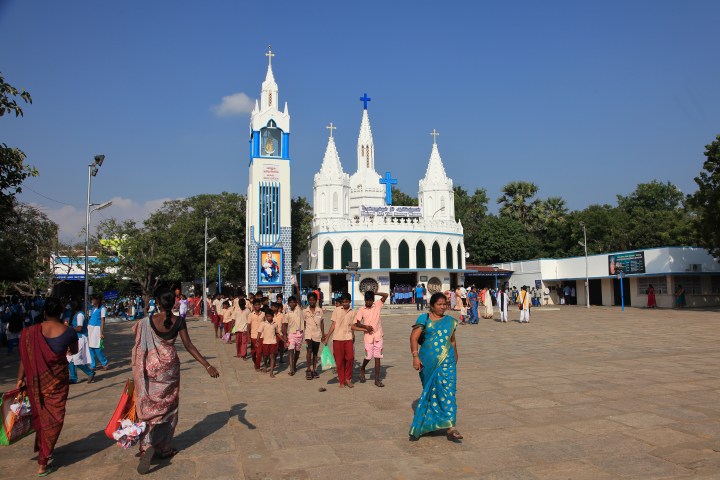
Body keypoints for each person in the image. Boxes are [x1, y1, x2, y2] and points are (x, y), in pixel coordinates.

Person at [132, 290, 219, 475]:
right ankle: (164, 448)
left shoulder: (146, 322)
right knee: (169, 409)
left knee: (149, 406)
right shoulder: (178, 320)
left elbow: (138, 344)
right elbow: (189, 345)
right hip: (170, 369)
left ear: (157, 302)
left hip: (150, 369)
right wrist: (207, 365)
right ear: (174, 303)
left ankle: (147, 446)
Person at [17, 297, 79, 476]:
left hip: (35, 382)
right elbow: (74, 351)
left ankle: (44, 452)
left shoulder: (29, 332)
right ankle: (43, 460)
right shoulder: (68, 332)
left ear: (44, 312)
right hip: (57, 383)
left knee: (40, 416)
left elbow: (25, 359)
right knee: (55, 419)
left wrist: (20, 379)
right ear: (61, 313)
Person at [409, 292, 462, 441]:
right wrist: (415, 356)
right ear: (432, 305)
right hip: (428, 362)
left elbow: (452, 340)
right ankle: (430, 423)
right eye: (439, 304)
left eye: (444, 304)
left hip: (448, 360)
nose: (442, 307)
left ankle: (451, 427)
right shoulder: (424, 318)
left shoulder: (450, 321)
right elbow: (414, 337)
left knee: (448, 391)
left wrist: (456, 355)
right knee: (431, 392)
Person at [323, 293, 362, 388]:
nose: (345, 304)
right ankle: (342, 380)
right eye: (343, 302)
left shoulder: (353, 312)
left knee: (350, 358)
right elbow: (333, 325)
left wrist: (364, 330)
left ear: (350, 302)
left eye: (347, 302)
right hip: (337, 338)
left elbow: (353, 326)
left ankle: (348, 378)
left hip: (348, 338)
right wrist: (327, 337)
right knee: (339, 361)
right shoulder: (336, 310)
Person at [356, 290, 389, 387]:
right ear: (364, 300)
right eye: (367, 300)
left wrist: (375, 293)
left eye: (370, 300)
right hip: (368, 337)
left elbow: (386, 295)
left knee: (377, 357)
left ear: (373, 300)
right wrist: (365, 327)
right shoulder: (361, 309)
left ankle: (377, 380)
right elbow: (357, 323)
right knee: (368, 356)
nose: (369, 302)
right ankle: (362, 368)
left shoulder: (377, 305)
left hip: (378, 335)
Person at [66, 300, 95, 384]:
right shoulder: (75, 315)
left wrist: (69, 327)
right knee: (70, 358)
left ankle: (90, 372)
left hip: (80, 338)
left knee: (77, 359)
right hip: (75, 338)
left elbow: (79, 328)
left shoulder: (80, 315)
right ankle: (73, 377)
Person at [303, 292, 324, 380]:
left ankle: (314, 369)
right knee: (309, 350)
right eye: (310, 300)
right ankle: (308, 369)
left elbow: (322, 323)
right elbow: (304, 323)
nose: (312, 301)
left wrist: (323, 334)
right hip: (308, 334)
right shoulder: (305, 311)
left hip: (317, 333)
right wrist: (305, 334)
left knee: (315, 353)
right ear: (308, 300)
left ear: (316, 300)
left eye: (313, 300)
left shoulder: (320, 310)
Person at [87, 294, 109, 371]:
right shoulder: (92, 308)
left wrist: (101, 332)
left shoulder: (102, 309)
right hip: (90, 328)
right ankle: (93, 365)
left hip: (97, 329)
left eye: (93, 299)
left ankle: (104, 363)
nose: (92, 301)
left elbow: (103, 321)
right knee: (90, 348)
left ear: (97, 300)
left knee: (97, 348)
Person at [258, 308, 281, 377]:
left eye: (270, 316)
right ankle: (265, 365)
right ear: (265, 317)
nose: (268, 318)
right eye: (267, 316)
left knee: (272, 356)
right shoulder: (263, 323)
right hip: (265, 342)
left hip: (273, 342)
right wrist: (257, 341)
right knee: (265, 356)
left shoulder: (275, 324)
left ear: (272, 316)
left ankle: (271, 371)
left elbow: (277, 333)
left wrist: (283, 339)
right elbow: (259, 332)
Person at [285, 296, 303, 376]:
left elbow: (299, 299)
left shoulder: (298, 309)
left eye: (293, 302)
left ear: (296, 303)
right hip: (291, 334)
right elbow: (285, 325)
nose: (292, 304)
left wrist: (296, 287)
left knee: (297, 351)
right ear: (288, 304)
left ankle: (294, 364)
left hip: (300, 333)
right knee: (291, 350)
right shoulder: (288, 314)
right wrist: (285, 334)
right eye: (290, 302)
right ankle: (291, 368)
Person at [248, 300, 265, 371]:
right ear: (253, 306)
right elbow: (248, 326)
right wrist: (248, 337)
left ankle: (258, 366)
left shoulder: (263, 314)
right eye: (256, 305)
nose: (257, 306)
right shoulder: (250, 315)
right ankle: (255, 362)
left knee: (259, 351)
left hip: (262, 335)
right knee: (253, 352)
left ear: (260, 305)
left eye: (258, 305)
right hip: (253, 336)